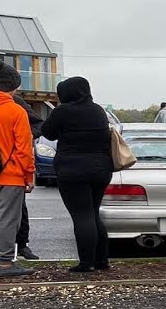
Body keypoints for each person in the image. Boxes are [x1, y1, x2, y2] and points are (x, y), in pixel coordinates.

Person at [41, 77, 114, 273]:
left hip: (72, 169)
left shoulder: (63, 111)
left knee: (82, 215)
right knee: (93, 213)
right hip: (101, 169)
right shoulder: (98, 110)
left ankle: (86, 262)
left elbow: (47, 133)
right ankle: (102, 261)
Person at [0, 58, 36, 277]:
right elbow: (24, 149)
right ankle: (6, 263)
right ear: (14, 86)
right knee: (6, 220)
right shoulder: (16, 111)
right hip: (10, 174)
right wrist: (29, 175)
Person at [11, 92, 44, 260]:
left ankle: (22, 245)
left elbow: (38, 124)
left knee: (18, 209)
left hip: (11, 166)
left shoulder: (15, 101)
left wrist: (26, 134)